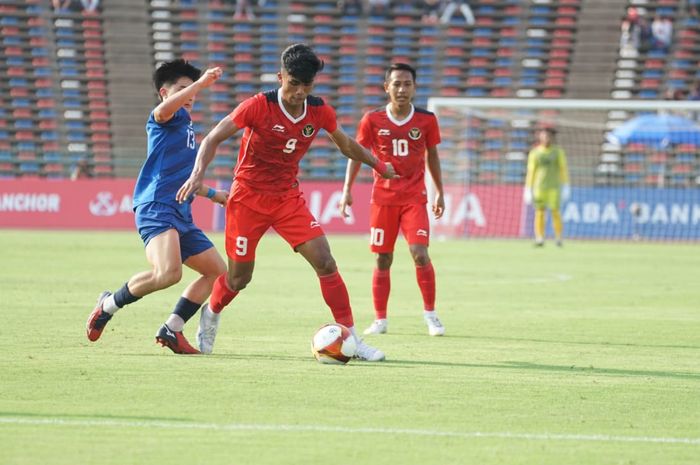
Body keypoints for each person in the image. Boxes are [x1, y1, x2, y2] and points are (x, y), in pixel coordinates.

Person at [176, 44, 397, 360]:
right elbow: (212, 138)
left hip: (287, 199)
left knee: (325, 261)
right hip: (247, 199)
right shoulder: (257, 106)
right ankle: (211, 311)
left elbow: (347, 144)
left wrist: (378, 166)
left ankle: (353, 339)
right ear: (281, 77)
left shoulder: (319, 111)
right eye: (293, 84)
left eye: (306, 86)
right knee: (239, 278)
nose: (299, 92)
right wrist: (198, 175)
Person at [85, 59, 228, 354]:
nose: (190, 95)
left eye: (192, 90)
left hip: (181, 212)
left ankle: (173, 328)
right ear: (164, 93)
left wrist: (214, 194)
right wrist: (201, 83)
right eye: (181, 89)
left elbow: (187, 179)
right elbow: (162, 111)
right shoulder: (162, 117)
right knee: (168, 273)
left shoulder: (187, 129)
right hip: (156, 206)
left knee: (217, 271)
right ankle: (108, 305)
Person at [339, 63, 446, 337]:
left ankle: (431, 315)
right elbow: (357, 153)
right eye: (396, 83)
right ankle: (380, 319)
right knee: (383, 259)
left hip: (414, 198)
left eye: (407, 83)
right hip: (383, 200)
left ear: (414, 87)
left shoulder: (427, 120)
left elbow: (432, 156)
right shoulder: (372, 120)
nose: (402, 89)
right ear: (386, 87)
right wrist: (347, 189)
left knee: (420, 254)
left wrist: (439, 192)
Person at [523, 128, 570, 247]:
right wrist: (528, 188)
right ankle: (539, 238)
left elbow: (563, 169)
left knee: (555, 212)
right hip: (539, 187)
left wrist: (566, 185)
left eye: (548, 136)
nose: (546, 138)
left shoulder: (557, 152)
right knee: (540, 212)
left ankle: (559, 238)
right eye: (543, 136)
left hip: (554, 187)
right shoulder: (535, 153)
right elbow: (531, 171)